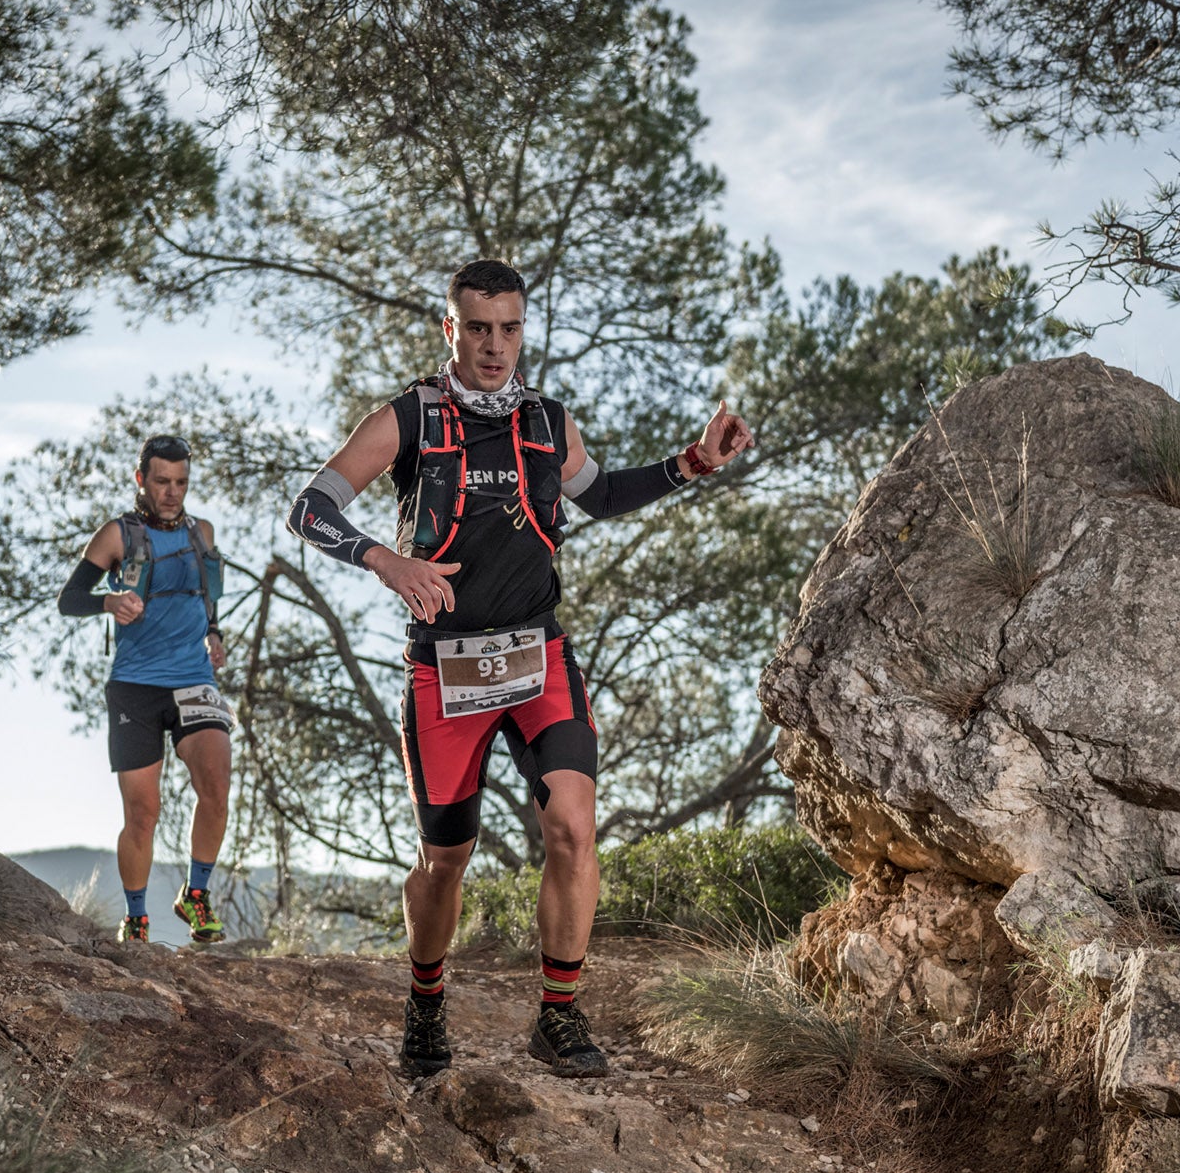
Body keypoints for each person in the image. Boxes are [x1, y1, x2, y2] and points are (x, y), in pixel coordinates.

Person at [285, 258, 752, 1078]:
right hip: (446, 670)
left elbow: (599, 494)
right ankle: (425, 1002)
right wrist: (385, 562)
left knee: (572, 824)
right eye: (477, 328)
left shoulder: (545, 420)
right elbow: (310, 507)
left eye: (508, 328)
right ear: (450, 330)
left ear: (522, 329)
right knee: (445, 859)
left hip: (539, 654)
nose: (494, 345)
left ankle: (559, 1016)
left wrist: (694, 462)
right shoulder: (409, 418)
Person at [58, 434, 231, 945]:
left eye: (180, 482)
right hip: (134, 687)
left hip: (194, 679)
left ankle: (195, 894)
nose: (172, 492)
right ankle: (136, 919)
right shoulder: (117, 535)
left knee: (216, 785)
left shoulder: (202, 533)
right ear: (141, 480)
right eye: (161, 481)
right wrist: (107, 604)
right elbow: (70, 599)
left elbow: (207, 595)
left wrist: (214, 632)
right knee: (143, 813)